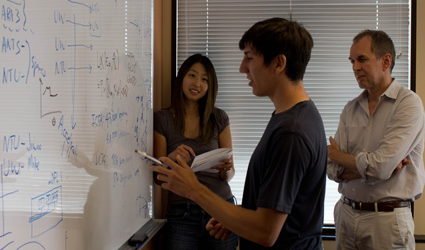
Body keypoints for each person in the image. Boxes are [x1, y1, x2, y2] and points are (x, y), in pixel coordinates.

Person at [152, 17, 328, 249]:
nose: (242, 67)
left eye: (249, 57)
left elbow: (266, 232)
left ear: (278, 63)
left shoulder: (291, 132)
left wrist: (193, 189)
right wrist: (233, 218)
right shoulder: (291, 115)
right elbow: (275, 208)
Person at [327, 29, 425, 249]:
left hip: (387, 220)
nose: (354, 67)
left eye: (361, 59)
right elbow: (330, 168)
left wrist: (338, 156)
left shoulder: (408, 104)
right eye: (352, 61)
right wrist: (374, 169)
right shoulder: (350, 108)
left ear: (386, 61)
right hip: (346, 213)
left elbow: (380, 166)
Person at [154, 53, 238, 250]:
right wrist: (170, 159)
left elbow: (229, 173)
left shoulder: (219, 118)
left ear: (210, 86)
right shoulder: (163, 119)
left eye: (204, 79)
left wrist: (226, 170)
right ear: (182, 77)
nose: (197, 83)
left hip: (220, 208)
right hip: (182, 212)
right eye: (192, 75)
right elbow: (158, 179)